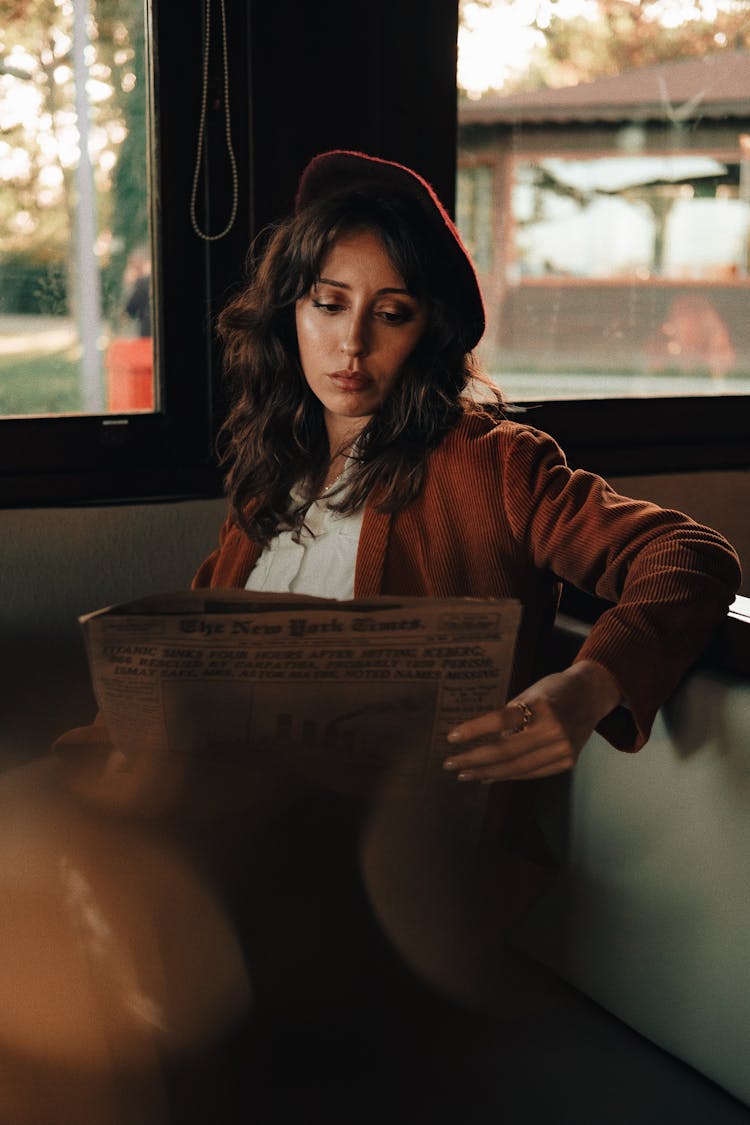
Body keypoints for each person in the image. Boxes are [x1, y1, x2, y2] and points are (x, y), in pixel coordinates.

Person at [48, 149, 741, 1121]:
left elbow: (692, 555)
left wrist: (585, 689)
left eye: (393, 311)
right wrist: (64, 786)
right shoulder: (267, 485)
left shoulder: (491, 464)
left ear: (432, 326)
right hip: (230, 842)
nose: (351, 345)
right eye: (328, 304)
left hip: (405, 870)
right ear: (290, 310)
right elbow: (168, 678)